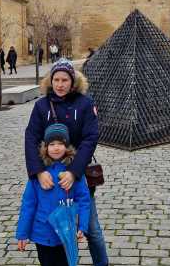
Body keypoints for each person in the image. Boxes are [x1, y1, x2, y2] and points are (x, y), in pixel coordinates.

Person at [25, 58, 109, 266]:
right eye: (56, 80)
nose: (60, 84)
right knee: (51, 226)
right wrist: (38, 171)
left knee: (91, 228)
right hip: (49, 176)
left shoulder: (85, 104)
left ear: (73, 82)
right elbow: (31, 137)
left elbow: (91, 138)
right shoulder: (41, 105)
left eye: (64, 80)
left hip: (77, 173)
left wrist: (73, 171)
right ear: (50, 81)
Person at [17, 123, 91, 265]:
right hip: (42, 233)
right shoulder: (39, 174)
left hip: (66, 233)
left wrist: (82, 225)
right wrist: (22, 233)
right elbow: (28, 204)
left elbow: (84, 200)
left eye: (60, 143)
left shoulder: (74, 172)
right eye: (52, 144)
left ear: (67, 146)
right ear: (45, 147)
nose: (56, 148)